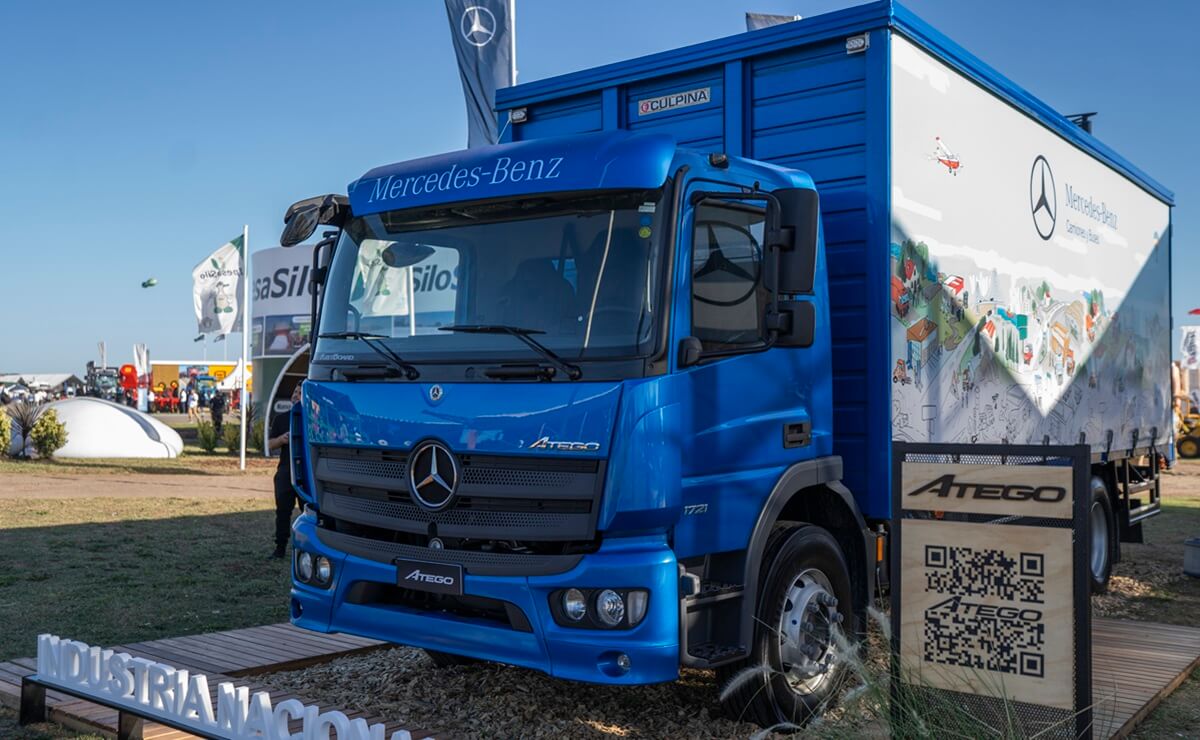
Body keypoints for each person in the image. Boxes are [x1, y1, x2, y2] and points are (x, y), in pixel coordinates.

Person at [268, 384, 303, 559]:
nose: (296, 396)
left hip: (307, 474)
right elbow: (270, 444)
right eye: (294, 392)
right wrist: (281, 439)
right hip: (285, 472)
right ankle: (280, 548)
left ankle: (307, 549)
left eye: (300, 393)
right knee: (282, 511)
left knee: (309, 514)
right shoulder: (281, 419)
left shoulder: (316, 420)